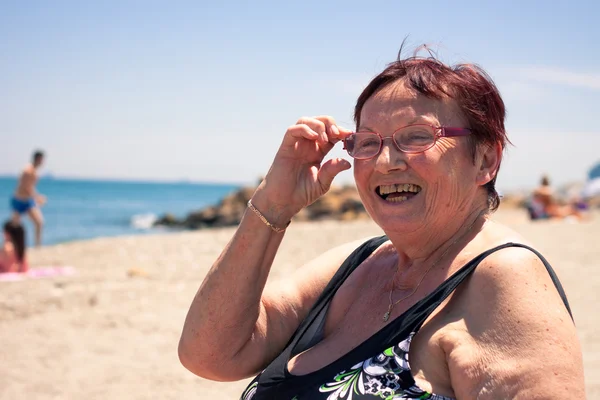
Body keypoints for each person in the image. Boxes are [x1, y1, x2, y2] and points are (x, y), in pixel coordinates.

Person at [178, 48, 585, 399]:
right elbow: (209, 354)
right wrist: (273, 204)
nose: (387, 162)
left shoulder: (503, 280)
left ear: (485, 160)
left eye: (416, 137)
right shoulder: (359, 264)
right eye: (368, 143)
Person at [11, 150, 46, 247]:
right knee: (14, 227)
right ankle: (11, 248)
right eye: (42, 160)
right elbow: (25, 186)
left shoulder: (33, 171)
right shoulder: (28, 170)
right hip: (19, 200)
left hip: (27, 201)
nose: (43, 162)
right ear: (38, 159)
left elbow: (29, 187)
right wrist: (37, 197)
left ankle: (37, 246)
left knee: (39, 222)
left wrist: (36, 197)